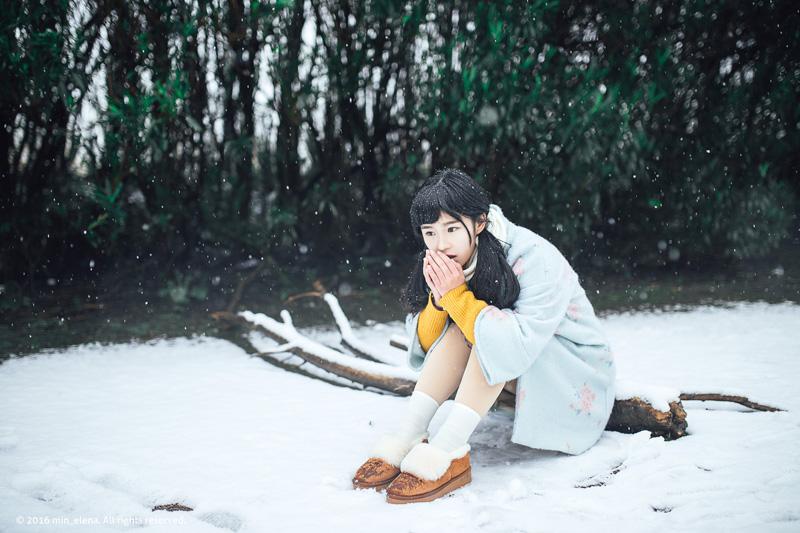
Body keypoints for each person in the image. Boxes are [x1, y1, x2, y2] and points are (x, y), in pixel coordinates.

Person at [352, 168, 617, 504]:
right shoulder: (447, 259)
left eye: (451, 228)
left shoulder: (535, 257)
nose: (440, 244)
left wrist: (457, 297)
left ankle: (447, 452)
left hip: (572, 377)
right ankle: (408, 435)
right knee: (469, 329)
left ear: (480, 222)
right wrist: (442, 300)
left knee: (489, 332)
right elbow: (427, 343)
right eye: (430, 232)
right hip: (519, 372)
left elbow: (512, 342)